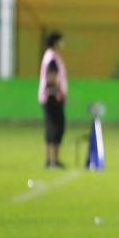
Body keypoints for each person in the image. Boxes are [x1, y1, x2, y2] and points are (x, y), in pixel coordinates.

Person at [38, 31, 68, 168]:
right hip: (52, 97)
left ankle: (52, 160)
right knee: (54, 128)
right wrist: (59, 93)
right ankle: (51, 160)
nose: (63, 43)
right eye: (61, 41)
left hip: (52, 96)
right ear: (56, 42)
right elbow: (51, 77)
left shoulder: (52, 56)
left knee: (55, 127)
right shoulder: (52, 58)